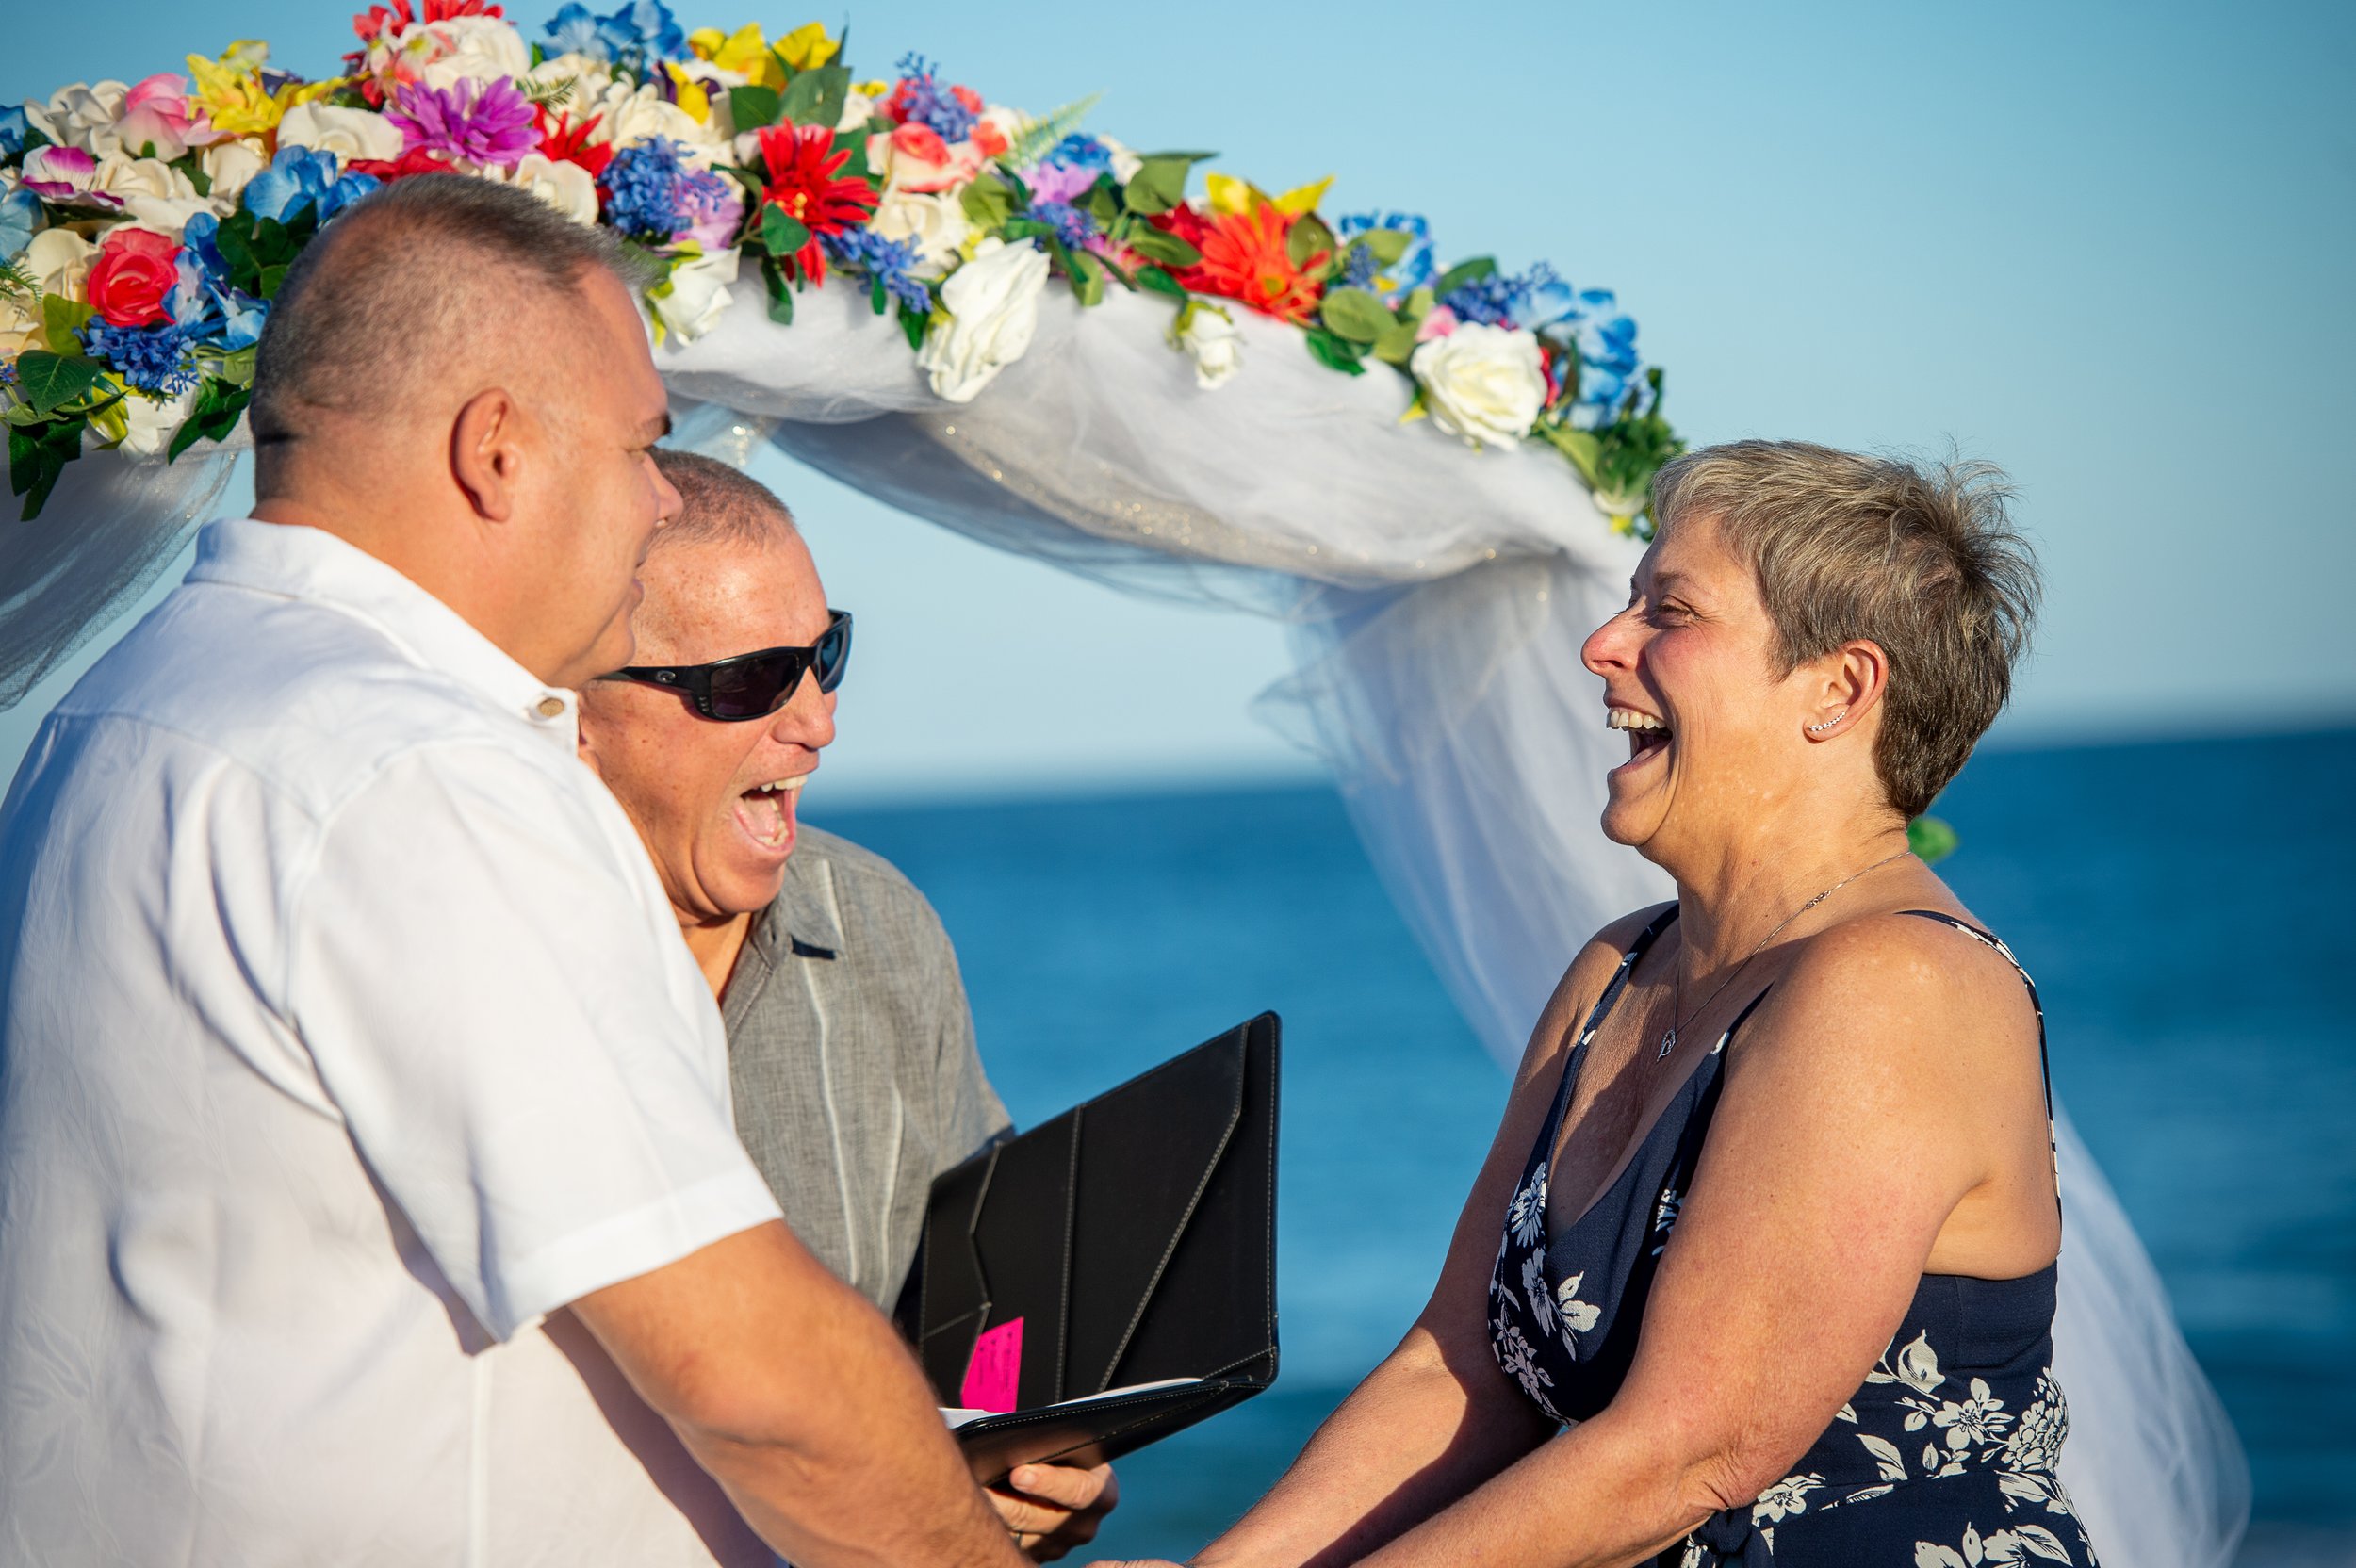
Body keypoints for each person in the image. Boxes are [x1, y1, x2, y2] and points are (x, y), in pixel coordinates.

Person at [0, 175, 1027, 1568]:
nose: (663, 494)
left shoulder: (111, 713)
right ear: (498, 451)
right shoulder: (419, 766)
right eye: (642, 447)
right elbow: (753, 1376)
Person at [1111, 441, 2096, 1567]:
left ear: (1839, 688)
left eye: (1667, 610)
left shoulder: (1895, 985)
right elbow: (1460, 1366)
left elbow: (1690, 1451)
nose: (1602, 644)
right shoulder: (1618, 968)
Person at [575, 449, 1118, 1560]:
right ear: (574, 706)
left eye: (825, 654)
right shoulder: (484, 938)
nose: (818, 722)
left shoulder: (874, 919)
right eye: (750, 680)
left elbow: (983, 1312)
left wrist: (1023, 1458)